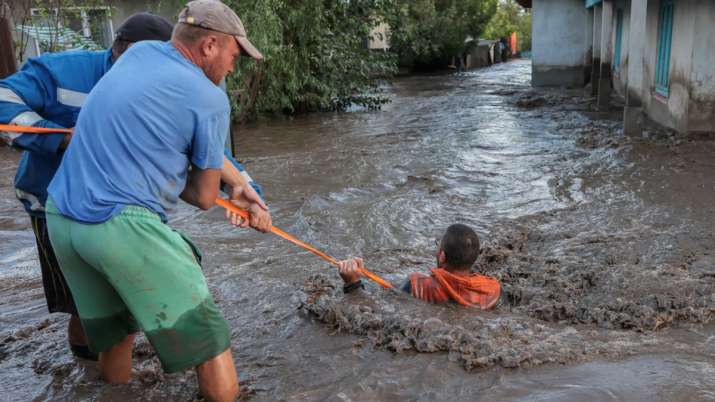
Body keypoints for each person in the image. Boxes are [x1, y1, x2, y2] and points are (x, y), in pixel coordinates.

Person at [45, 1, 269, 400]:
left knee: (118, 333)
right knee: (209, 338)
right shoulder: (210, 97)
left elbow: (150, 124)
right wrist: (221, 186)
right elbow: (201, 197)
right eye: (235, 56)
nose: (235, 67)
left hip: (61, 218)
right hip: (119, 225)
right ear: (210, 46)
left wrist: (237, 182)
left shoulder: (140, 53)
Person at [0, 12, 174, 361]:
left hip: (126, 209)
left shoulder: (164, 86)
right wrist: (63, 139)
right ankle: (88, 371)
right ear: (120, 49)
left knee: (131, 293)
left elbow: (201, 151)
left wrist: (244, 190)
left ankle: (108, 367)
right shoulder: (63, 71)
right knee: (82, 301)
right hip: (53, 205)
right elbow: (4, 98)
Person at [337, 224, 501, 309]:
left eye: (438, 247)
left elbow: (377, 306)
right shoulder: (493, 289)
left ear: (442, 256)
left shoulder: (417, 285)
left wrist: (353, 283)